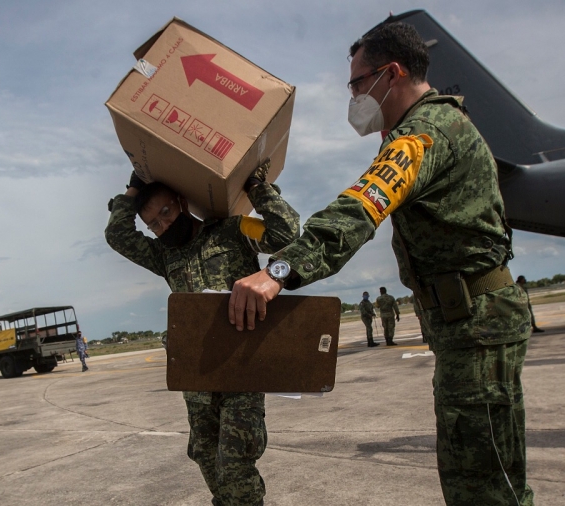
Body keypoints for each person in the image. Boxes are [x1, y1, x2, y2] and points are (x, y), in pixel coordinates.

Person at [227, 21, 533, 505]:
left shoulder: (424, 133)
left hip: (476, 325)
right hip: (469, 323)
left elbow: (362, 206)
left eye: (356, 82)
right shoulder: (433, 127)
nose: (352, 96)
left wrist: (277, 272)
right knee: (477, 478)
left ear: (390, 73)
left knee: (485, 488)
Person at [105, 162, 300, 506]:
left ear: (181, 200)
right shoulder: (164, 256)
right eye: (154, 223)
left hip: (241, 371)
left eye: (166, 211)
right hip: (196, 379)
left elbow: (287, 233)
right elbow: (117, 235)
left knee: (235, 463)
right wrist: (131, 191)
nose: (163, 224)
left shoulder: (234, 229)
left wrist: (256, 185)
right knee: (208, 461)